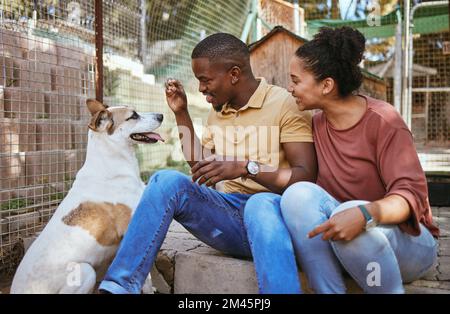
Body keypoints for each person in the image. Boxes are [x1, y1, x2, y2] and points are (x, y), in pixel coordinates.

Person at [98, 33, 317, 294]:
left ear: (234, 74)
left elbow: (305, 178)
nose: (201, 88)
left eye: (205, 80)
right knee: (165, 180)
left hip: (274, 220)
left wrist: (246, 167)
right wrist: (181, 113)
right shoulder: (218, 112)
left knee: (260, 203)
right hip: (231, 219)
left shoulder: (284, 104)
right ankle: (119, 286)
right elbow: (202, 167)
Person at [280, 26, 439, 294]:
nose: (290, 88)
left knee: (349, 215)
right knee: (296, 195)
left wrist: (365, 214)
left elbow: (410, 196)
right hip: (347, 237)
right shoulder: (316, 123)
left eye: (296, 81)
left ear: (327, 85)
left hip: (408, 243)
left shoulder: (384, 120)